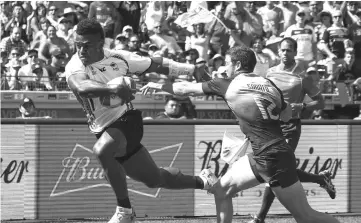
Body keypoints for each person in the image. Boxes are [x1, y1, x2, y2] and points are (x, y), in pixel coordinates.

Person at [140, 46, 340, 223]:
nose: (226, 67)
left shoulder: (227, 84)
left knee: (305, 217)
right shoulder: (270, 85)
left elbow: (184, 89)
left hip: (271, 157)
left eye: (227, 63)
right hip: (266, 153)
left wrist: (160, 86)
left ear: (236, 65)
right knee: (221, 189)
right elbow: (286, 115)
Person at [65, 18, 212, 223]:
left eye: (86, 46)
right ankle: (204, 181)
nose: (80, 51)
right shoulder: (74, 66)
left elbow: (157, 64)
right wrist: (113, 89)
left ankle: (125, 211)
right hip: (103, 128)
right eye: (77, 45)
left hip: (127, 120)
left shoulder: (119, 58)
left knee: (101, 150)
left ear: (101, 44)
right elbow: (81, 87)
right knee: (155, 179)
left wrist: (191, 70)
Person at [248, 37, 336, 223]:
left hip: (290, 127)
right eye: (282, 50)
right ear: (278, 52)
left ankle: (260, 218)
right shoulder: (270, 73)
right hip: (271, 127)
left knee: (276, 169)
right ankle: (321, 179)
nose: (285, 53)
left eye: (289, 50)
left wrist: (302, 107)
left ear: (295, 52)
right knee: (279, 169)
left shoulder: (303, 76)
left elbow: (320, 102)